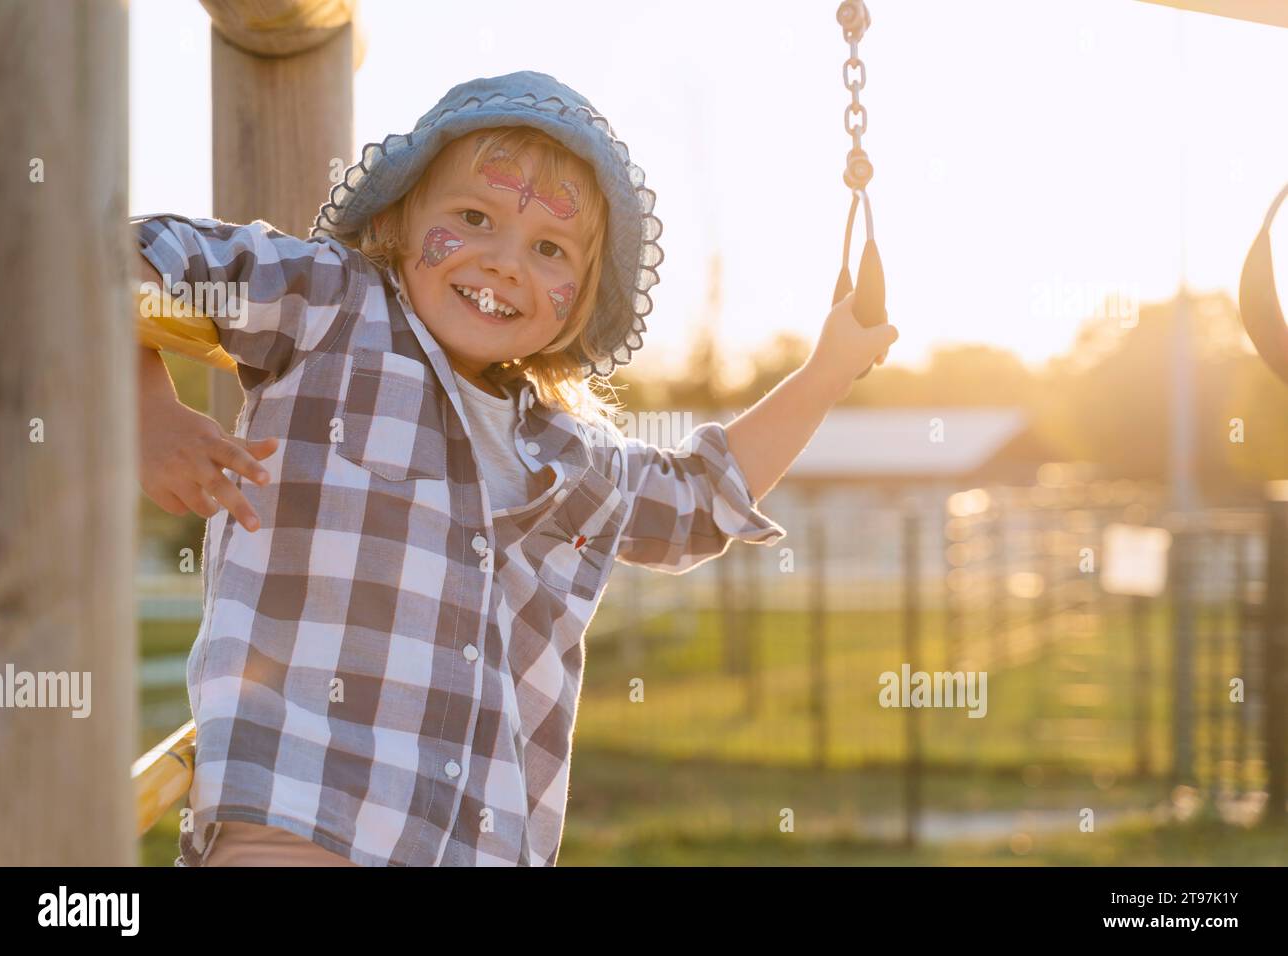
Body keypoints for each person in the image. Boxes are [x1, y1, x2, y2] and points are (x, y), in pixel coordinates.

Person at [132, 70, 898, 866]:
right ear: (398, 218)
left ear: (583, 294)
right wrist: (148, 417)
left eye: (548, 248)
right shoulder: (330, 304)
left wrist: (829, 370)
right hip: (299, 821)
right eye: (472, 217)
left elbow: (704, 497)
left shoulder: (574, 460)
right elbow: (124, 257)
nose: (505, 263)